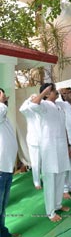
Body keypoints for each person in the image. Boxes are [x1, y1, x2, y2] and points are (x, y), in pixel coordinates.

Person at [29, 83, 71, 222]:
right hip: (49, 148)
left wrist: (68, 146)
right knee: (50, 180)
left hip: (61, 147)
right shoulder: (44, 105)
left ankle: (58, 205)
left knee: (60, 176)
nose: (56, 92)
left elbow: (63, 128)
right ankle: (50, 212)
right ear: (47, 93)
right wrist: (44, 92)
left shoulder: (58, 106)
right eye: (52, 90)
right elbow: (32, 105)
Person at [0, 88, 20, 237]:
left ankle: (3, 233)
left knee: (3, 207)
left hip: (6, 169)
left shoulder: (4, 116)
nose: (4, 97)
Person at [19, 94, 42, 189]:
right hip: (33, 141)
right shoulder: (29, 111)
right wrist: (29, 98)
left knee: (45, 162)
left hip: (45, 140)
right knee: (35, 162)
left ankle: (45, 179)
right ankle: (37, 182)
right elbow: (21, 109)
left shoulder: (42, 109)